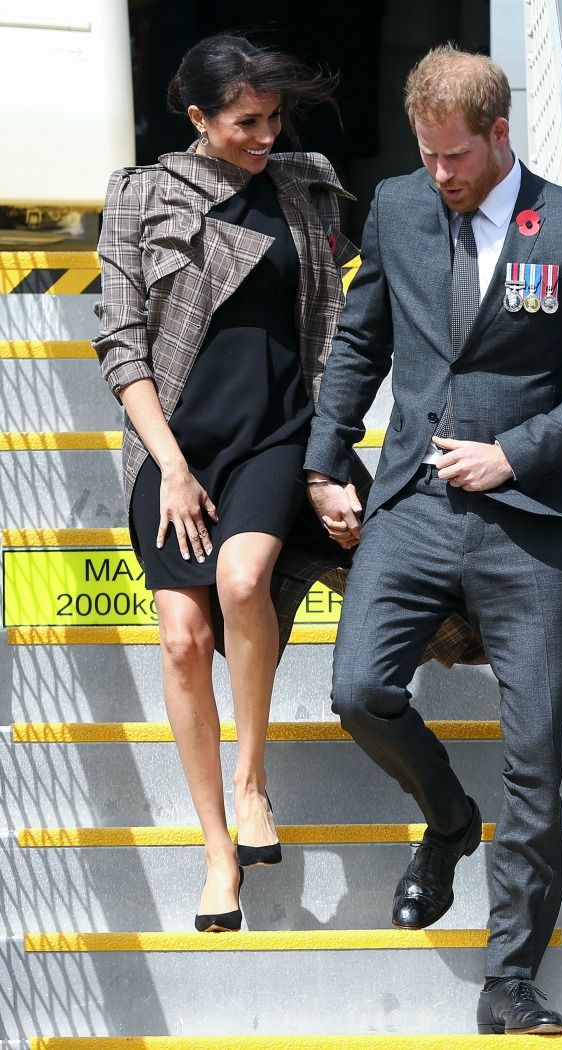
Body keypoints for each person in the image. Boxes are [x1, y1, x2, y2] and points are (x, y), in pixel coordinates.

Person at [305, 45, 562, 1035]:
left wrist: (515, 453)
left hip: (528, 521)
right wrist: (329, 461)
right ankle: (448, 819)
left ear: (500, 135)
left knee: (535, 760)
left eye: (454, 156)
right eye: (426, 153)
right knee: (359, 690)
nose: (439, 174)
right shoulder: (402, 207)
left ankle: (509, 984)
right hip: (409, 504)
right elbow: (363, 337)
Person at [93, 32, 362, 932]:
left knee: (245, 581)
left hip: (275, 428)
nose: (264, 133)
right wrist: (169, 467)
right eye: (246, 121)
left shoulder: (304, 183)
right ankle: (218, 854)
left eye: (273, 116)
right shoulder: (140, 196)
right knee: (179, 639)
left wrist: (329, 454)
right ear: (197, 116)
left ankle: (253, 783)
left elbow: (335, 320)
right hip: (173, 444)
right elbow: (121, 343)